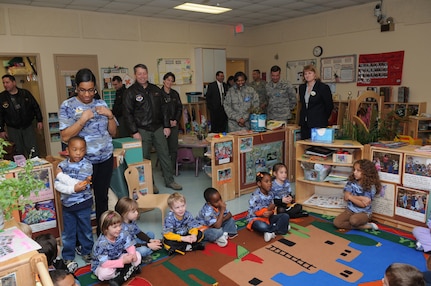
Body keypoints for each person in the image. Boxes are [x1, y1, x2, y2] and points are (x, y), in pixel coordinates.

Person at [59, 68, 116, 235]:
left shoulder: (101, 104)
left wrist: (110, 116)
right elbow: (64, 136)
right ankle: (80, 239)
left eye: (91, 90)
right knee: (79, 202)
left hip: (104, 157)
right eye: (83, 90)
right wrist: (82, 120)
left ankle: (102, 233)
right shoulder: (67, 106)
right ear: (76, 88)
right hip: (81, 163)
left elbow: (113, 133)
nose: (87, 94)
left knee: (102, 198)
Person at [123, 64, 182, 193]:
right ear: (135, 75)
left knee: (165, 155)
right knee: (145, 159)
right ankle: (150, 184)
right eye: (139, 73)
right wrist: (134, 131)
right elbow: (127, 114)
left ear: (147, 73)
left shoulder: (155, 90)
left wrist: (166, 126)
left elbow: (164, 109)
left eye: (144, 73)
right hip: (142, 130)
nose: (142, 76)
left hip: (158, 128)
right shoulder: (130, 92)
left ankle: (170, 180)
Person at [54, 136, 93, 265]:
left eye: (82, 150)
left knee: (85, 230)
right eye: (74, 149)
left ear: (85, 151)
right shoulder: (62, 165)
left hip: (83, 204)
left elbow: (79, 185)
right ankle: (68, 255)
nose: (78, 153)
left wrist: (60, 175)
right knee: (68, 233)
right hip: (67, 206)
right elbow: (57, 185)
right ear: (67, 150)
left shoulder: (87, 165)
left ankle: (87, 251)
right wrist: (71, 188)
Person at [92, 210, 142, 286]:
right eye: (115, 227)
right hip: (103, 264)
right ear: (106, 229)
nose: (119, 229)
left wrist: (133, 254)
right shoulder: (101, 243)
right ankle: (128, 270)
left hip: (119, 258)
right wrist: (123, 262)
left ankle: (122, 273)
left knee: (138, 255)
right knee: (103, 274)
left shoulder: (122, 232)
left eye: (120, 225)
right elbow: (104, 263)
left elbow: (129, 245)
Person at [0, 74, 43, 157]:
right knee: (17, 151)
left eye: (7, 82)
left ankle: (36, 166)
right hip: (12, 128)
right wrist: (1, 129)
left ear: (14, 83)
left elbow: (35, 107)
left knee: (32, 148)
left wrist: (39, 120)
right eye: (3, 83)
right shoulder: (2, 97)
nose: (5, 85)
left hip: (27, 126)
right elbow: (0, 115)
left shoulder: (25, 93)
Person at [333, 159, 382, 230]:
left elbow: (363, 205)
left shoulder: (370, 186)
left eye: (358, 170)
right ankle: (364, 226)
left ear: (366, 173)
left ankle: (367, 224)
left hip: (364, 213)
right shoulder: (351, 182)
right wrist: (362, 198)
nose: (355, 172)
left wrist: (351, 197)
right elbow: (346, 197)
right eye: (354, 170)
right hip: (350, 210)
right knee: (337, 223)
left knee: (353, 220)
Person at [115, 197, 162, 264]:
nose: (137, 213)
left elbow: (138, 233)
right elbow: (129, 246)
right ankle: (146, 253)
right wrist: (148, 245)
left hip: (134, 242)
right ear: (124, 214)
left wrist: (150, 240)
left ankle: (150, 249)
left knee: (150, 234)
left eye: (136, 210)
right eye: (133, 212)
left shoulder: (131, 221)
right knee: (143, 250)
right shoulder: (121, 228)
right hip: (126, 250)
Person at [246, 172, 290, 242]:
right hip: (256, 219)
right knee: (262, 226)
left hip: (268, 218)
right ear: (259, 183)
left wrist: (271, 212)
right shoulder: (255, 196)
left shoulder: (271, 193)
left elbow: (272, 208)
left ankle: (272, 231)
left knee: (285, 216)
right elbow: (256, 212)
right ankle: (279, 228)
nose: (269, 183)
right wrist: (268, 209)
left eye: (270, 181)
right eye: (266, 182)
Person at [298, 64, 334, 139]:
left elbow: (329, 105)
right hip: (304, 123)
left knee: (317, 147)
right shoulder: (302, 88)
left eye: (309, 73)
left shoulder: (323, 87)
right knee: (304, 145)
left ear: (315, 74)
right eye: (305, 74)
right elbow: (303, 105)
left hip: (318, 122)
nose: (307, 75)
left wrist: (323, 117)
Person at [161, 72, 183, 171]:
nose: (169, 82)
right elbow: (158, 110)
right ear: (164, 80)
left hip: (174, 125)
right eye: (168, 80)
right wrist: (166, 122)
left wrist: (176, 120)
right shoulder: (158, 93)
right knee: (163, 149)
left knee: (173, 148)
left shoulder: (175, 94)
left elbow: (179, 108)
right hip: (162, 126)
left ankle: (173, 168)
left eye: (172, 81)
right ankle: (165, 169)